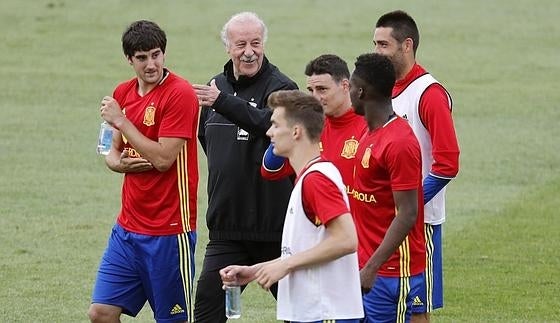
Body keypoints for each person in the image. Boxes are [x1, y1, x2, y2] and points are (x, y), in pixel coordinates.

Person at [88, 20, 199, 323]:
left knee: (172, 320)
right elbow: (111, 152)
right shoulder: (122, 92)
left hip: (169, 231)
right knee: (100, 313)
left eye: (156, 54)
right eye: (142, 57)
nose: (151, 64)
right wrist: (117, 163)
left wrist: (123, 122)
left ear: (164, 53)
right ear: (129, 59)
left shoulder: (180, 94)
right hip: (127, 230)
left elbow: (164, 159)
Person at [220, 90, 364, 323]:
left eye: (276, 125)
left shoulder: (317, 180)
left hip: (325, 315)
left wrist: (285, 266)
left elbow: (346, 240)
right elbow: (305, 249)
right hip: (314, 314)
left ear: (296, 131)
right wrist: (255, 271)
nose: (269, 132)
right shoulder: (308, 177)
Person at [193, 12, 298, 322]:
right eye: (241, 44)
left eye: (255, 43)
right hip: (226, 229)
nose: (249, 51)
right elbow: (206, 137)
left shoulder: (281, 87)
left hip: (274, 231)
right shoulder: (217, 86)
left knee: (299, 313)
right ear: (228, 47)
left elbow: (272, 127)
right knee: (206, 314)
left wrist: (223, 102)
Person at [373, 10, 460, 319]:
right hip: (382, 219)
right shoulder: (383, 91)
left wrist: (410, 205)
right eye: (375, 44)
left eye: (384, 45)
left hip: (418, 224)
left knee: (415, 309)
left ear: (406, 45)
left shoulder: (429, 94)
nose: (377, 52)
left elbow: (447, 164)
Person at [349, 53, 426, 323]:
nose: (347, 93)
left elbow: (407, 213)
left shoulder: (399, 142)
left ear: (361, 91)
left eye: (349, 86)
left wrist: (372, 268)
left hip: (394, 271)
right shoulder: (366, 132)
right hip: (366, 266)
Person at [262, 54, 367, 195]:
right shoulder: (310, 127)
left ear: (345, 86)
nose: (315, 98)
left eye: (322, 89)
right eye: (311, 90)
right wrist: (289, 121)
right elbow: (270, 170)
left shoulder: (368, 125)